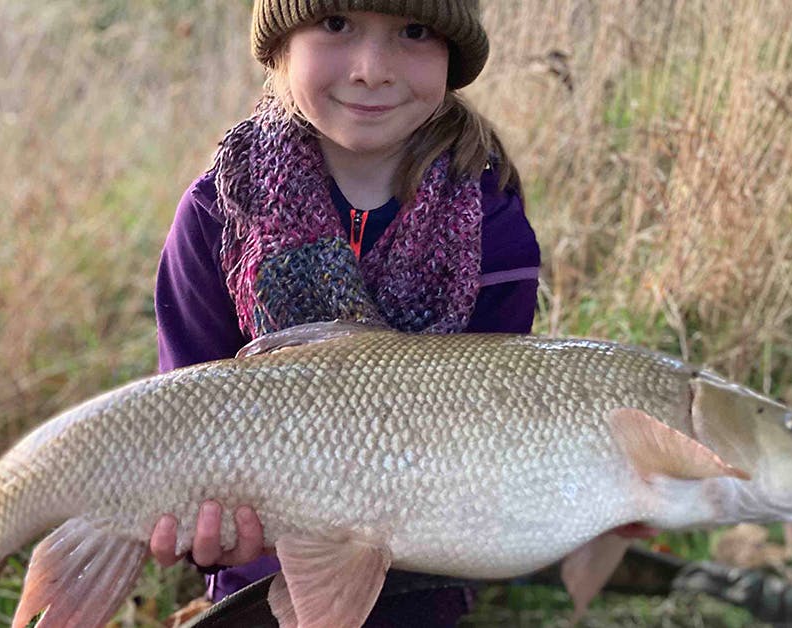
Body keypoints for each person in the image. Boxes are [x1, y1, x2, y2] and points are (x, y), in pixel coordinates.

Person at [148, 1, 540, 624]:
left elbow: (492, 441)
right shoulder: (215, 214)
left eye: (413, 32)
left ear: (453, 57)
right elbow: (181, 415)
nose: (371, 69)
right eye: (336, 26)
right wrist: (205, 525)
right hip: (258, 575)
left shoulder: (495, 232)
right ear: (278, 47)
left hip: (421, 579)